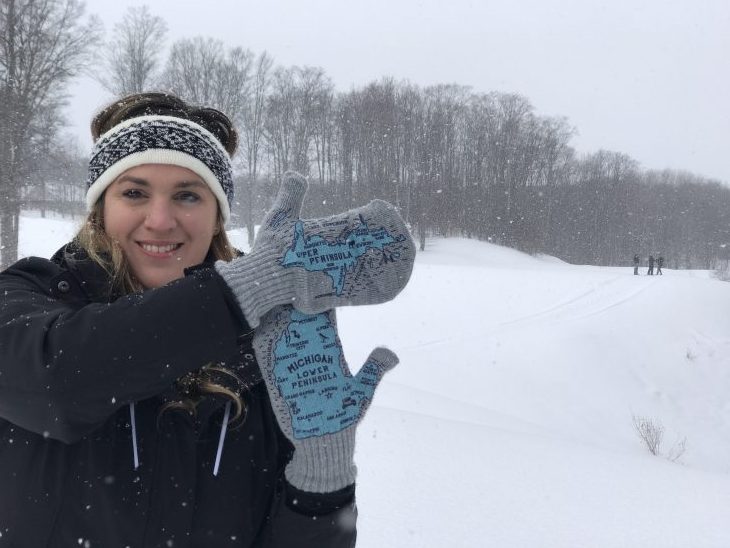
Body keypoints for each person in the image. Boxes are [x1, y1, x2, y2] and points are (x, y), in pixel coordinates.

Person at [0, 92, 415, 547]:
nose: (160, 220)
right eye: (134, 192)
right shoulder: (30, 295)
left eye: (187, 195)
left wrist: (320, 478)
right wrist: (247, 287)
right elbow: (57, 383)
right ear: (100, 207)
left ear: (217, 217)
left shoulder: (267, 355)